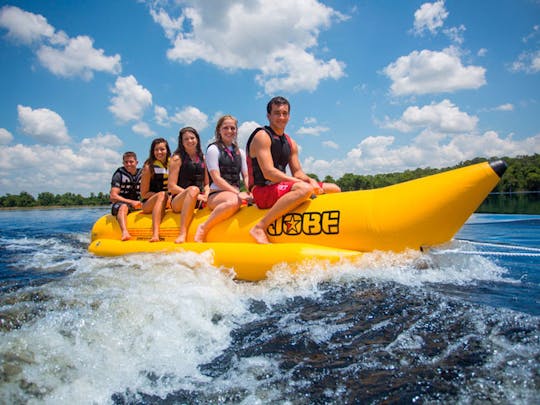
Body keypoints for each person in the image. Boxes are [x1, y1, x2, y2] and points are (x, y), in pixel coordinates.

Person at [246, 96, 341, 244]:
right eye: (277, 113)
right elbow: (269, 173)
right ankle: (260, 227)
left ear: (289, 116)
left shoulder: (290, 142)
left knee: (334, 188)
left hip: (280, 188)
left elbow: (297, 172)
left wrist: (311, 180)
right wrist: (304, 184)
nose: (281, 117)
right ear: (268, 116)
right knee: (303, 189)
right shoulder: (262, 136)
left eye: (284, 113)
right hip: (262, 191)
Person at [194, 115, 251, 242]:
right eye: (226, 128)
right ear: (219, 130)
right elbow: (216, 178)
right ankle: (203, 227)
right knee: (234, 201)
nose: (229, 131)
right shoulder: (213, 149)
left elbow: (246, 176)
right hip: (216, 194)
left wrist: (252, 191)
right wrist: (238, 193)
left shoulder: (240, 152)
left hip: (234, 193)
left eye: (233, 128)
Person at [168, 127, 209, 243]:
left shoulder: (203, 158)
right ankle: (182, 233)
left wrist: (206, 194)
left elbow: (206, 184)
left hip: (198, 198)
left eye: (192, 138)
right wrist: (196, 194)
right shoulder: (177, 159)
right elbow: (171, 187)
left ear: (197, 139)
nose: (190, 141)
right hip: (178, 200)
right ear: (181, 142)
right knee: (193, 190)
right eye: (186, 139)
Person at [140, 137, 171, 242]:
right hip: (148, 203)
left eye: (162, 149)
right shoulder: (149, 167)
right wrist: (162, 196)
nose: (159, 152)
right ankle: (155, 234)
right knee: (162, 195)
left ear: (167, 150)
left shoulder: (173, 164)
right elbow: (144, 194)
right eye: (156, 150)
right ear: (152, 152)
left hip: (168, 200)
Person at [109, 151, 142, 241]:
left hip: (136, 203)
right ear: (123, 163)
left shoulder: (143, 174)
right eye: (126, 162)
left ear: (136, 162)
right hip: (119, 204)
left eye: (131, 162)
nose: (128, 164)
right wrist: (131, 202)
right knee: (124, 207)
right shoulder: (119, 175)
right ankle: (124, 232)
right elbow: (113, 196)